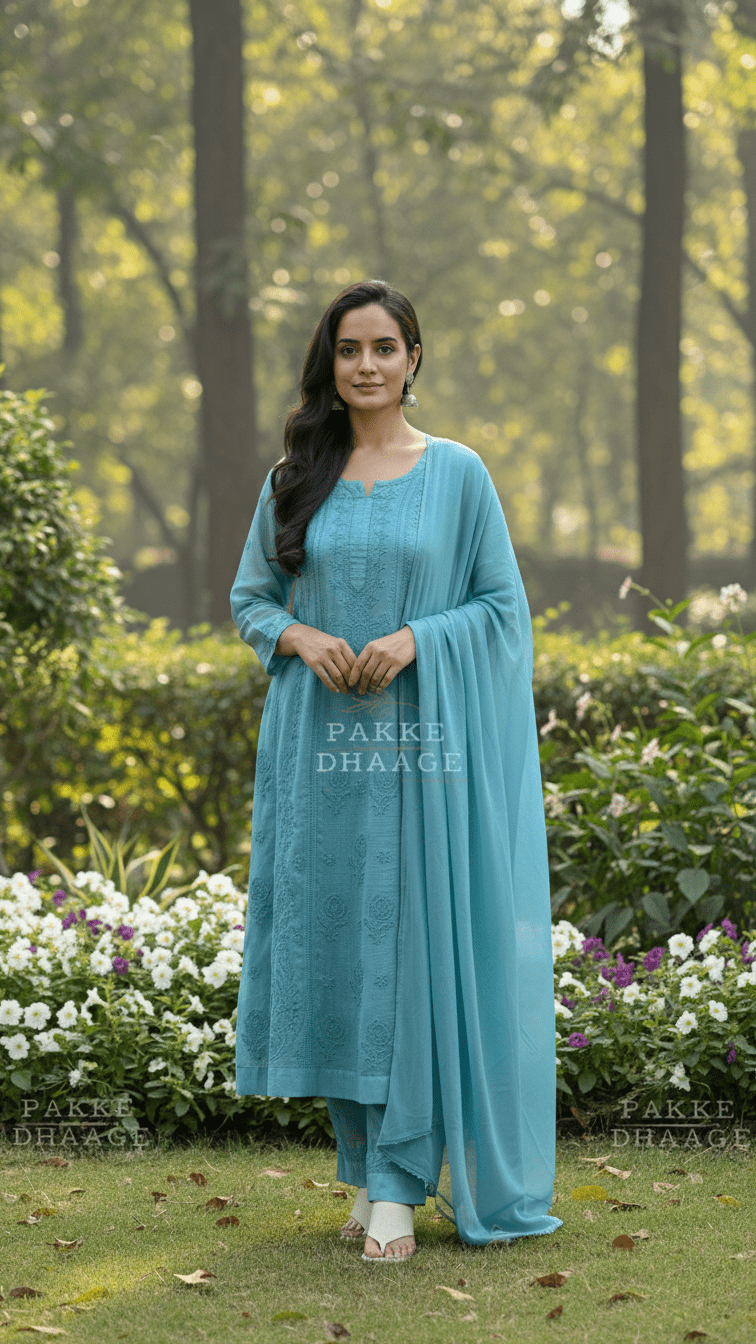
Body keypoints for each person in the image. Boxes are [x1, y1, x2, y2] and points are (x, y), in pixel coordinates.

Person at [230, 279, 563, 1262]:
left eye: (384, 347)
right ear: (329, 363)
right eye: (349, 349)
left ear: (415, 357)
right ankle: (366, 1165)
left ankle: (398, 1183)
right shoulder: (297, 475)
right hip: (317, 757)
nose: (366, 365)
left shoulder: (458, 474)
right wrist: (298, 635)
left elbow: (502, 609)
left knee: (408, 957)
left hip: (423, 759)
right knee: (339, 956)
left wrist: (418, 638)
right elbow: (252, 598)